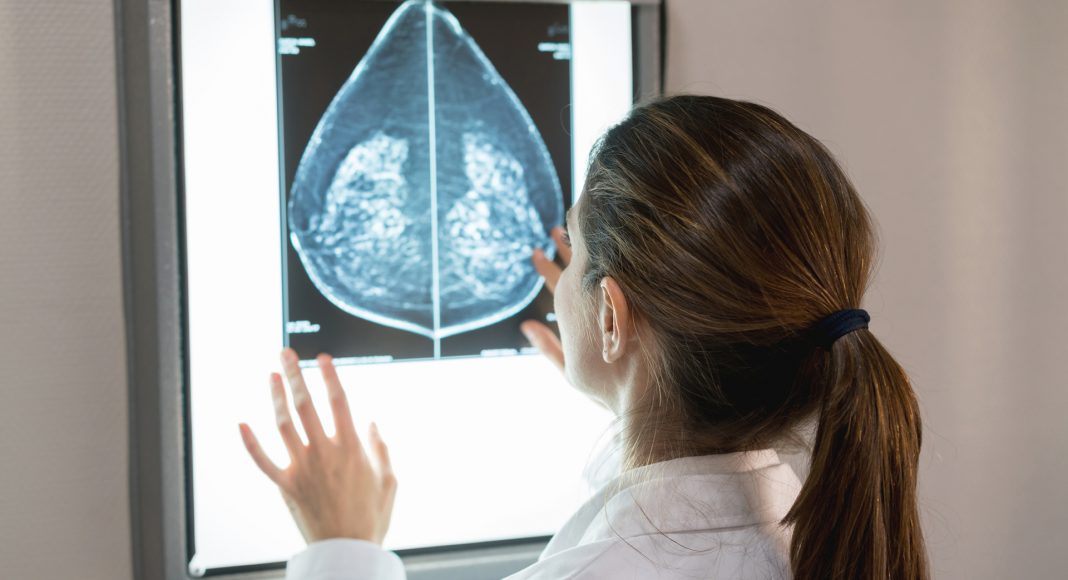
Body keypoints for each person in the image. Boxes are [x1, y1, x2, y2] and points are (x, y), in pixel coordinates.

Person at [238, 95, 930, 579]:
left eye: (571, 251)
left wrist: (341, 548)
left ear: (611, 317)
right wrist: (626, 376)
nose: (557, 276)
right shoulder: (824, 535)